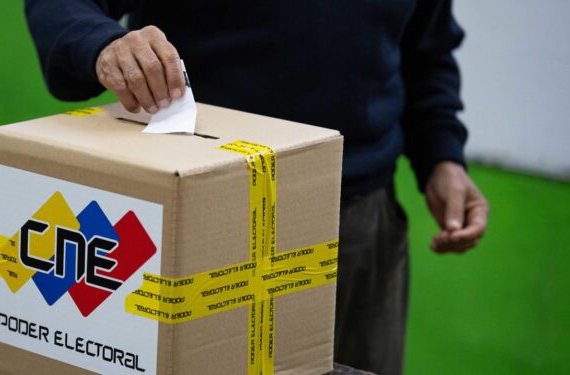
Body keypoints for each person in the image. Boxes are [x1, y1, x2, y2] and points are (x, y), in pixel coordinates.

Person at [24, 1, 489, 373]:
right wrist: (103, 45)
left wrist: (442, 156)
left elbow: (425, 49)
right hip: (208, 216)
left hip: (362, 223)